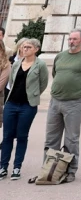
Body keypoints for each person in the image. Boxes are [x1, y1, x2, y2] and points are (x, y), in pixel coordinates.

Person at [37, 29, 81, 183]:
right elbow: (55, 74)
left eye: (75, 39)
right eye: (70, 39)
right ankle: (48, 169)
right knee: (51, 139)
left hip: (74, 103)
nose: (71, 41)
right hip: (55, 101)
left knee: (71, 139)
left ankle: (70, 170)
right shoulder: (60, 56)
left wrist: (78, 90)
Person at [0, 39, 48, 181]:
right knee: (7, 136)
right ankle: (3, 167)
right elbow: (11, 82)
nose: (24, 49)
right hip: (11, 104)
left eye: (28, 47)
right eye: (23, 47)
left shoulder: (41, 65)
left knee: (22, 136)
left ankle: (17, 167)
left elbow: (43, 83)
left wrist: (33, 95)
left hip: (28, 106)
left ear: (36, 49)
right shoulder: (16, 64)